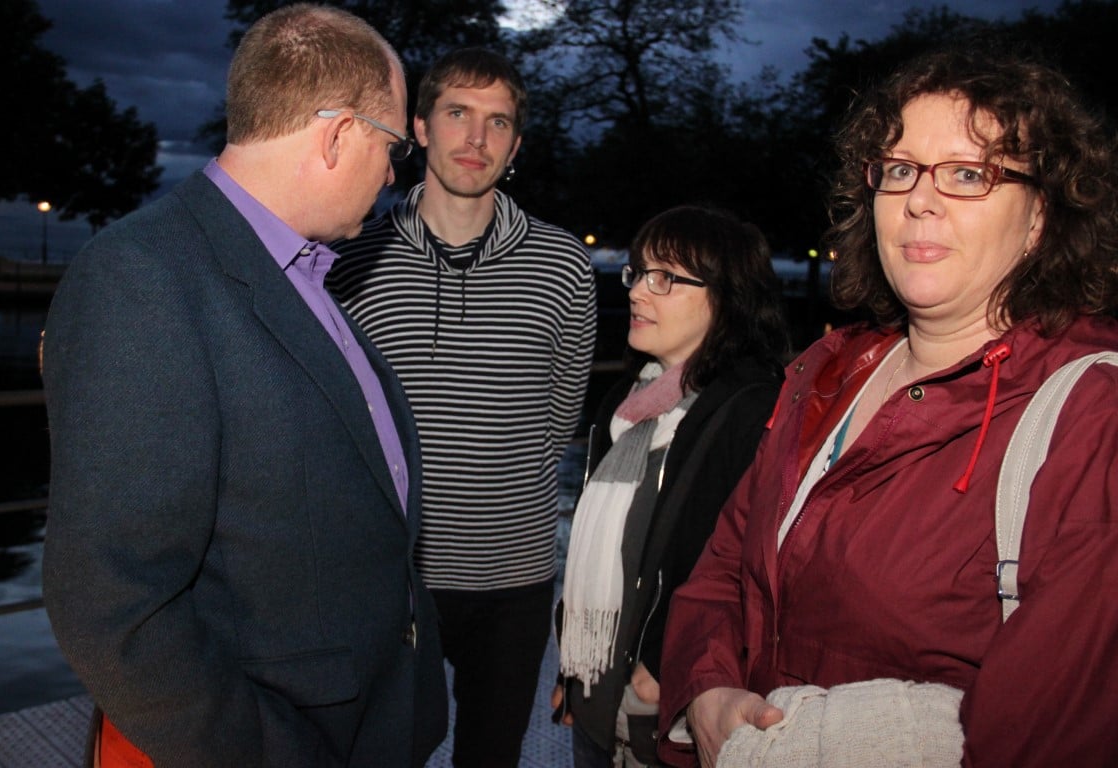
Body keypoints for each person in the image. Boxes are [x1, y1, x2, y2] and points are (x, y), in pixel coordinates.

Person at [657, 45, 1118, 768]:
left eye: (968, 174)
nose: (920, 199)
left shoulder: (1092, 418)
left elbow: (1048, 732)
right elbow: (723, 569)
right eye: (900, 169)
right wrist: (706, 691)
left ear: (1040, 218)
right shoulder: (827, 373)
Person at [41, 5, 447, 766]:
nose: (394, 174)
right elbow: (112, 604)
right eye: (391, 146)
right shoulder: (141, 278)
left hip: (374, 721)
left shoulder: (306, 273)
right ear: (338, 135)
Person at [327, 47, 597, 767]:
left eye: (497, 122)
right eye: (457, 113)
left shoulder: (563, 266)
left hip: (515, 577)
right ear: (418, 127)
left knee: (491, 756)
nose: (476, 138)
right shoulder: (351, 261)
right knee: (381, 753)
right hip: (392, 577)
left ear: (516, 144)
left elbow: (559, 419)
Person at [551, 205, 789, 767]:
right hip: (598, 694)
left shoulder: (752, 411)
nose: (637, 292)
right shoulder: (627, 405)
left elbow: (741, 566)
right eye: (638, 273)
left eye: (665, 278)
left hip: (666, 710)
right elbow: (600, 553)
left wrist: (663, 664)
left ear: (725, 298)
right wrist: (574, 667)